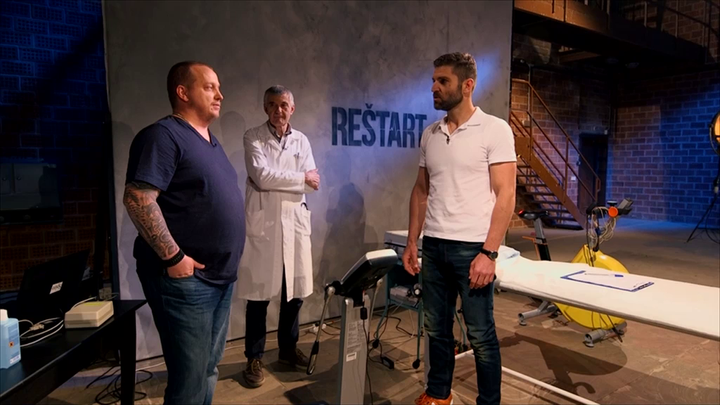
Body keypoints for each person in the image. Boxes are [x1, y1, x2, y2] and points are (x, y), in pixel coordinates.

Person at [123, 61, 245, 404]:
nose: (220, 95)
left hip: (218, 278)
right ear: (183, 92)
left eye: (219, 87)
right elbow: (137, 198)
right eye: (209, 87)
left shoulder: (211, 143)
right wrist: (174, 257)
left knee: (208, 369)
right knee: (189, 381)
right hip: (185, 281)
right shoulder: (163, 136)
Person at [402, 53, 517, 405]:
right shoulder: (431, 134)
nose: (434, 88)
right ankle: (439, 393)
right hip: (434, 246)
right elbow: (421, 191)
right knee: (436, 328)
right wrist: (412, 242)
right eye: (433, 81)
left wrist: (489, 253)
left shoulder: (495, 130)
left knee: (480, 334)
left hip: (472, 250)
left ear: (467, 86)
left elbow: (506, 195)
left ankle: (488, 402)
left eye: (443, 81)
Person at [237, 85, 319, 387]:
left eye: (283, 105)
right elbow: (261, 176)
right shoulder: (252, 137)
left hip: (294, 225)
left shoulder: (302, 140)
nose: (278, 110)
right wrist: (299, 178)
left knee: (293, 294)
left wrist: (290, 181)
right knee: (258, 297)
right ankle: (254, 357)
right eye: (272, 105)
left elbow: (313, 183)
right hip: (266, 226)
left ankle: (287, 349)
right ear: (265, 108)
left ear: (292, 109)